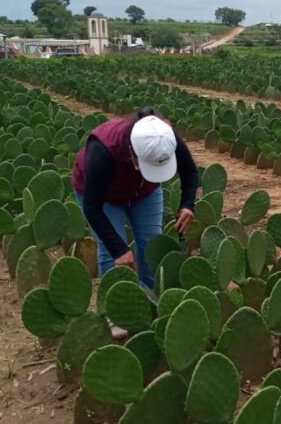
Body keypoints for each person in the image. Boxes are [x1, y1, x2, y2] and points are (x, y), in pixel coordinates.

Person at [71, 107, 199, 301]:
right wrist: (119, 250)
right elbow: (92, 207)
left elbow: (190, 172)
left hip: (145, 192)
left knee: (151, 246)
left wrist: (188, 204)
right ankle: (115, 312)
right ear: (132, 151)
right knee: (111, 255)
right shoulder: (104, 149)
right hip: (104, 197)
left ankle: (152, 301)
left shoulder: (165, 138)